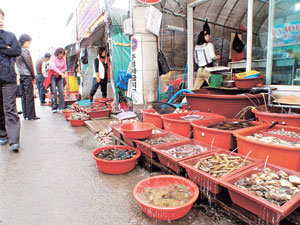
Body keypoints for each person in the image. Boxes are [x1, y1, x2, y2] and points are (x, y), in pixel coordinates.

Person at [0, 8, 21, 151]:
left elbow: (16, 50)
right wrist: (5, 47)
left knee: (10, 108)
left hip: (8, 77)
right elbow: (10, 50)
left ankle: (14, 140)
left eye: (2, 18)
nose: (1, 20)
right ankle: (3, 134)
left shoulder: (10, 35)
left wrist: (3, 49)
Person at [16, 34, 40, 120]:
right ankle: (31, 115)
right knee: (29, 95)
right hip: (27, 75)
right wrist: (33, 76)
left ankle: (26, 114)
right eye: (29, 42)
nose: (29, 44)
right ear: (24, 42)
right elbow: (29, 64)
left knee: (24, 95)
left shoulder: (17, 50)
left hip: (21, 75)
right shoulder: (24, 51)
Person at [193, 19, 220, 89]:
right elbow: (212, 57)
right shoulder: (209, 45)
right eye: (207, 35)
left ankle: (186, 99)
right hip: (207, 70)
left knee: (194, 90)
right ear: (204, 36)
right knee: (215, 87)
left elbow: (196, 60)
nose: (209, 37)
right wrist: (218, 57)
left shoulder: (196, 47)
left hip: (199, 71)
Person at [45, 47, 67, 113]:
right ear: (57, 53)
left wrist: (60, 72)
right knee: (53, 91)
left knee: (61, 91)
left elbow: (65, 68)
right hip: (53, 76)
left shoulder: (63, 60)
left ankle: (61, 107)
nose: (61, 56)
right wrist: (60, 72)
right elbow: (53, 67)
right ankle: (54, 107)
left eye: (62, 54)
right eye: (60, 54)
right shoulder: (52, 58)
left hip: (60, 76)